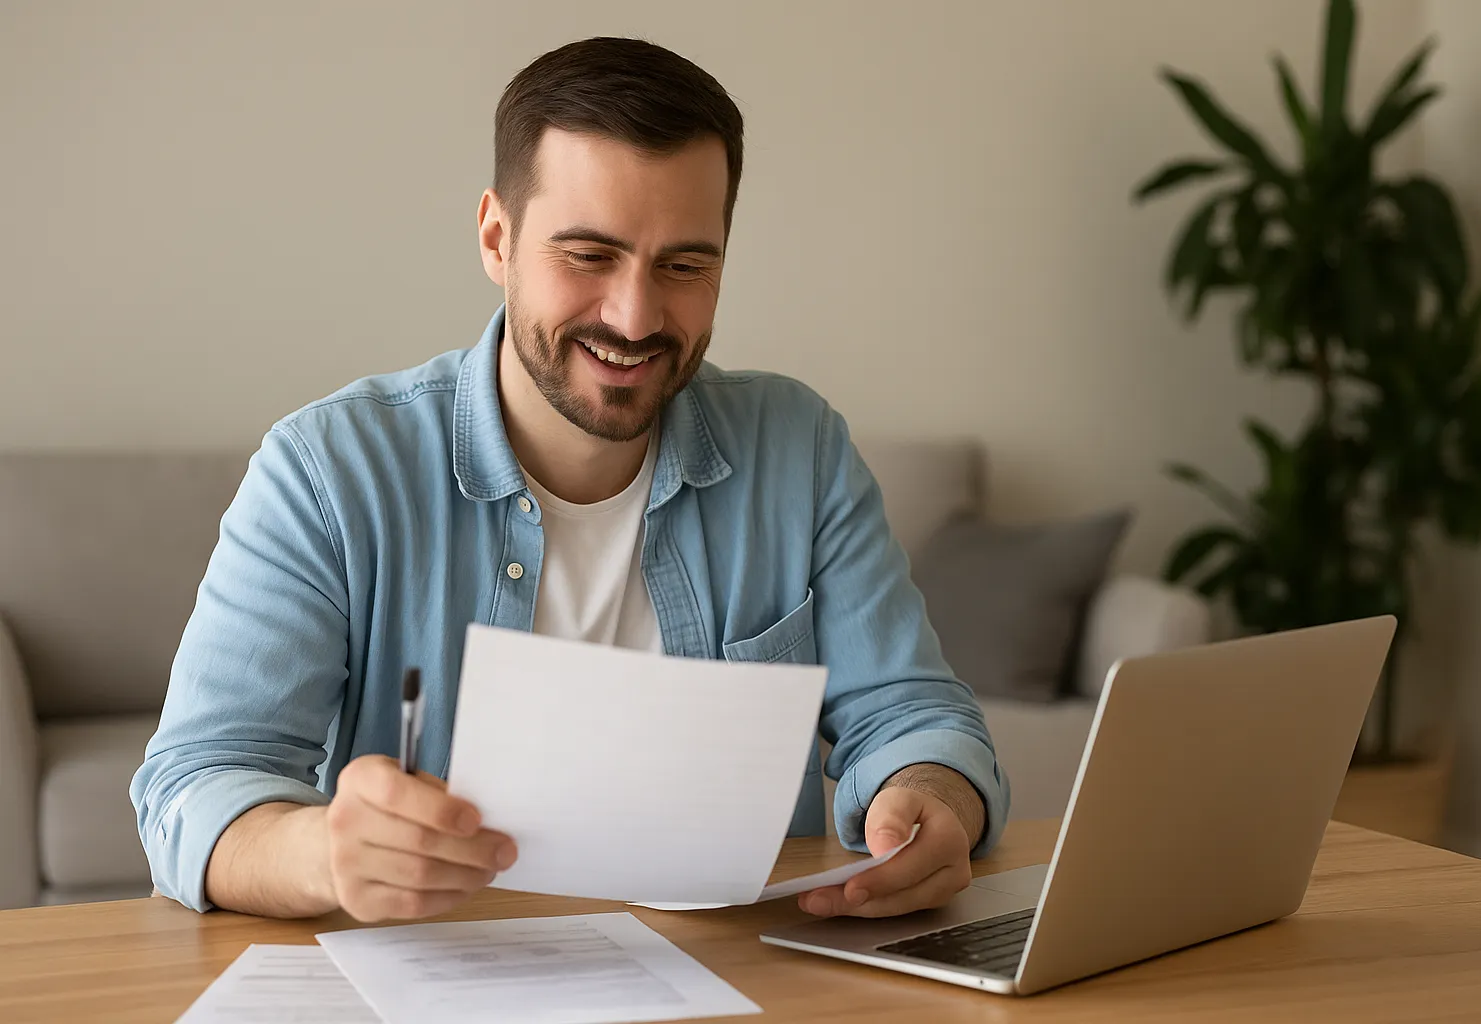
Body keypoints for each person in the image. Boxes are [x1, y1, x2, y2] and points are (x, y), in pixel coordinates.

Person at [131, 36, 1009, 923]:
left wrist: (931, 797)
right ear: (496, 238)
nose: (634, 316)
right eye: (588, 255)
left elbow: (910, 713)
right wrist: (323, 853)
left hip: (737, 978)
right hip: (445, 983)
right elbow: (191, 787)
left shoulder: (801, 448)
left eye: (685, 265)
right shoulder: (325, 472)